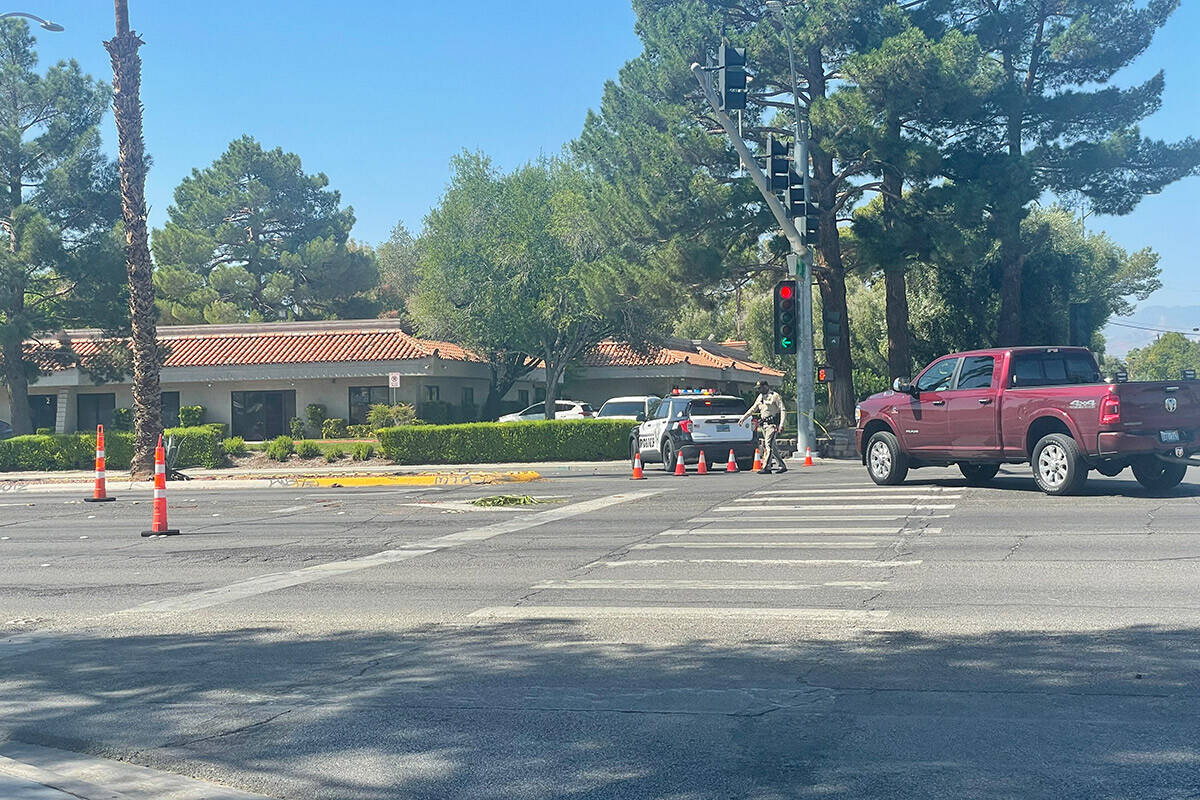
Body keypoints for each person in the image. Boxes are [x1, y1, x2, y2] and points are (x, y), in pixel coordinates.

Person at [740, 380, 788, 474]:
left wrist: (781, 424)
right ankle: (782, 466)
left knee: (768, 445)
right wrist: (743, 418)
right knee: (772, 446)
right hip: (764, 424)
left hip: (772, 424)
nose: (759, 390)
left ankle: (766, 467)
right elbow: (753, 408)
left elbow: (782, 409)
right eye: (758, 388)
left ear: (766, 386)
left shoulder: (774, 396)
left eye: (760, 388)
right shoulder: (760, 397)